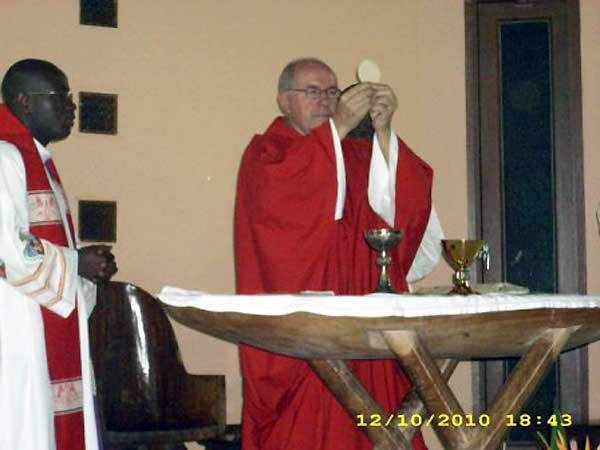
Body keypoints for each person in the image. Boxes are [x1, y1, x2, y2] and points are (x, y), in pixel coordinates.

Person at [234, 57, 443, 450]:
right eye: (312, 91)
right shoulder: (267, 154)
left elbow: (406, 203)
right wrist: (339, 127)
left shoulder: (356, 154)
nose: (326, 100)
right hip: (303, 339)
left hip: (365, 329)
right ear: (284, 100)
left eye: (332, 91)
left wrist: (384, 132)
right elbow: (285, 219)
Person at [0, 59, 117, 450]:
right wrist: (75, 263)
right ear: (24, 101)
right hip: (15, 321)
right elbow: (7, 246)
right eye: (60, 96)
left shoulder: (38, 162)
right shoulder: (4, 157)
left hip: (37, 310)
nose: (72, 106)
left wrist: (84, 266)